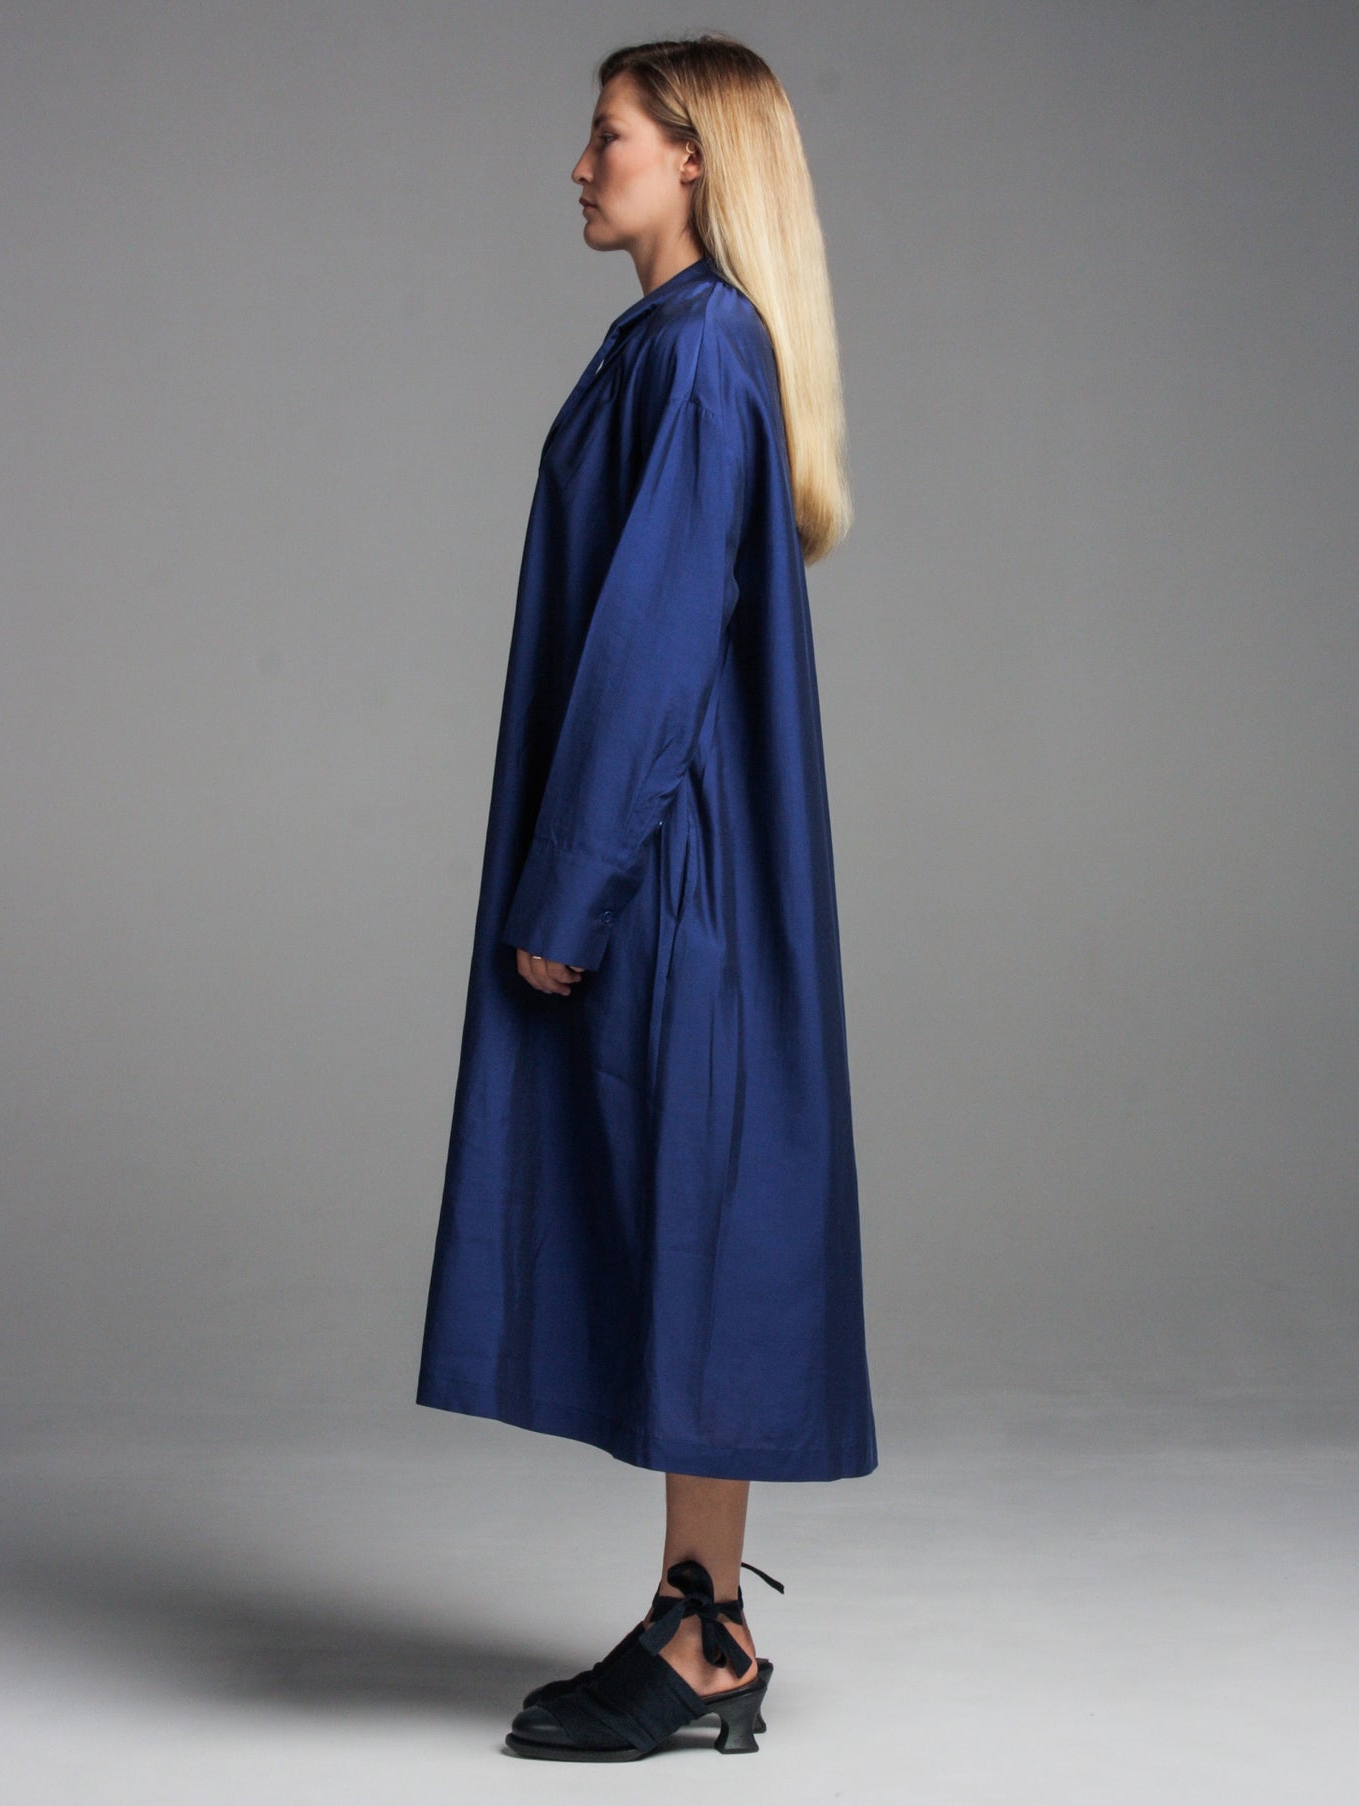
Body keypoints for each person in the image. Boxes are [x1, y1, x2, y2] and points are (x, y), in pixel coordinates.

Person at [415, 34, 879, 1760]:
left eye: (603, 133)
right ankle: (701, 1617)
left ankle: (703, 1630)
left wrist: (574, 886)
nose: (578, 161)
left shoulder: (695, 351)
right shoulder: (678, 342)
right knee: (687, 1221)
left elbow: (655, 648)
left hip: (671, 866)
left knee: (700, 1219)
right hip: (679, 853)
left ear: (691, 157)